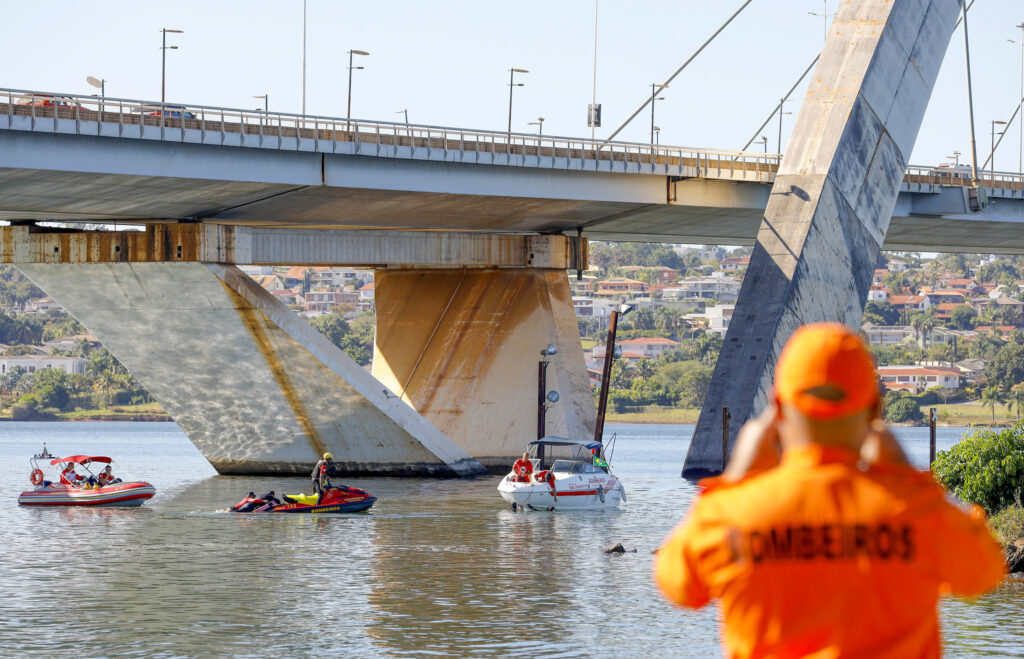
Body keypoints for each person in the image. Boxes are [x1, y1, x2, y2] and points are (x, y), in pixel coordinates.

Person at [654, 323, 1006, 659]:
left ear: (777, 408)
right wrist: (907, 477)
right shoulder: (916, 511)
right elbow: (985, 569)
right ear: (873, 410)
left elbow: (677, 583)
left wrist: (734, 481)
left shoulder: (730, 513)